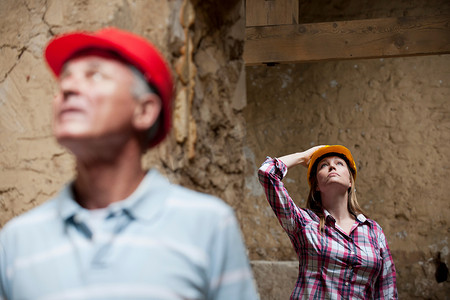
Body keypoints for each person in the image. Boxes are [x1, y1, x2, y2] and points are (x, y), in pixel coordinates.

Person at [0, 27, 259, 300]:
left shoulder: (207, 225)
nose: (67, 87)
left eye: (94, 75)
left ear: (144, 110)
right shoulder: (17, 240)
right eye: (65, 78)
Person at [258, 145, 397, 299]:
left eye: (339, 163)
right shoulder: (304, 222)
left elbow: (387, 291)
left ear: (350, 180)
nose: (332, 166)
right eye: (324, 165)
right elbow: (267, 172)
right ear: (316, 185)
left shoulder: (373, 231)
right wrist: (303, 156)